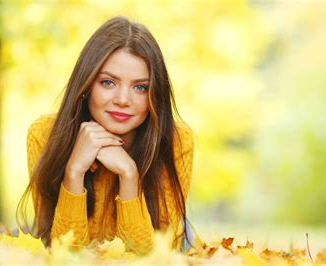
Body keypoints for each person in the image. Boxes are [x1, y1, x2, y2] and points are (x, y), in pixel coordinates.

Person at [16, 16, 195, 255]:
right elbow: (63, 253)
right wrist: (74, 171)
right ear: (87, 84)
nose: (122, 100)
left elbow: (153, 258)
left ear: (155, 94)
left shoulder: (176, 141)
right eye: (108, 82)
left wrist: (129, 175)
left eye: (140, 87)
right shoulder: (46, 135)